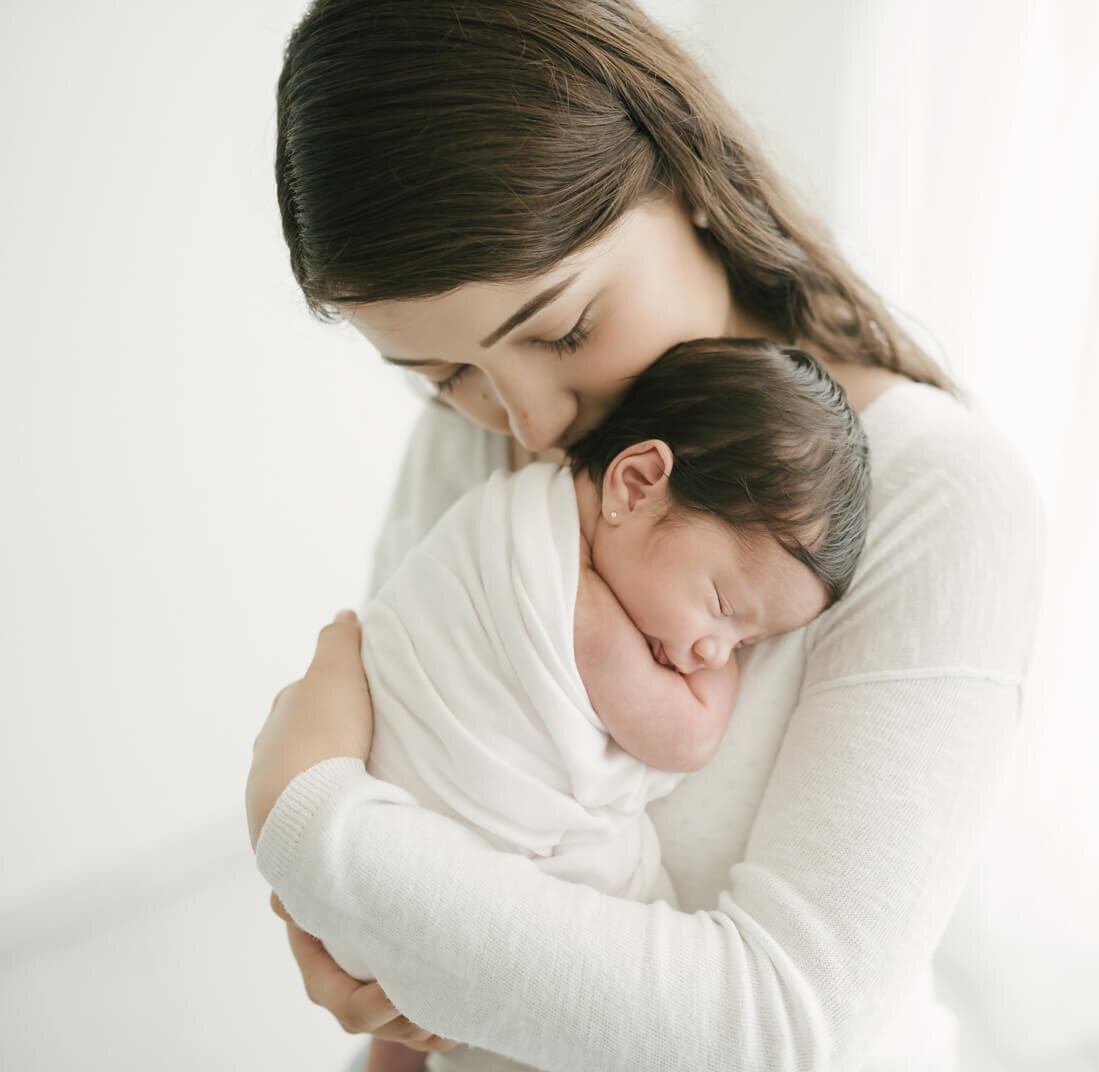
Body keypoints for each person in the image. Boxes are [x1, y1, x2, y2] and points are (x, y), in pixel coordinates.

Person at [246, 1, 1046, 1069]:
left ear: (688, 177)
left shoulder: (940, 499)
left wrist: (308, 828)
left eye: (565, 329)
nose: (531, 427)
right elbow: (420, 811)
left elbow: (776, 1026)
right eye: (446, 378)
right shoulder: (469, 447)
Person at [335, 338, 869, 1072]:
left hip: (378, 862)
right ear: (637, 482)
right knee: (627, 898)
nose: (717, 654)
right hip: (436, 839)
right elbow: (685, 739)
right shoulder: (567, 600)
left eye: (749, 645)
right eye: (722, 608)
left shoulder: (518, 514)